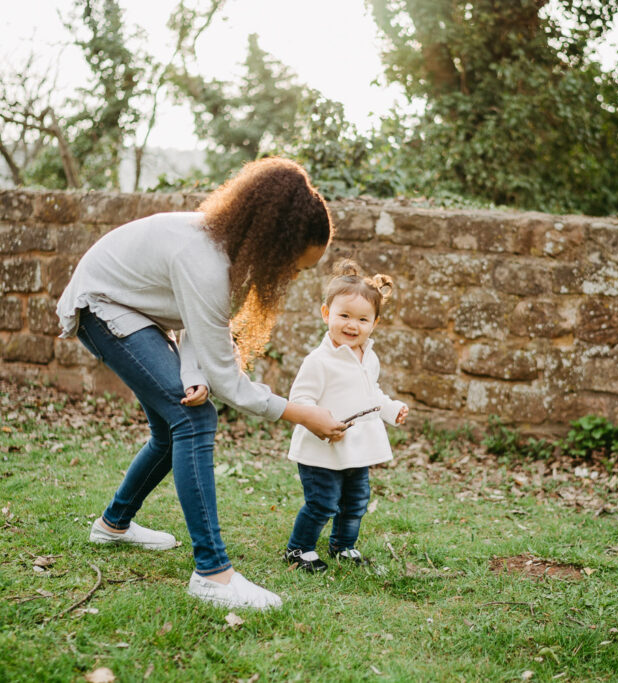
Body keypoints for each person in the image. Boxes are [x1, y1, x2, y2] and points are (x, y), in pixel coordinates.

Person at [55, 158, 349, 610]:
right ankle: (213, 573)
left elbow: (199, 323)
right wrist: (301, 413)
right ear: (273, 243)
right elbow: (228, 381)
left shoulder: (229, 251)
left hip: (141, 310)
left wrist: (193, 375)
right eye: (294, 265)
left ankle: (113, 525)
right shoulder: (205, 258)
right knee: (194, 421)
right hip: (103, 304)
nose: (291, 276)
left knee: (171, 424)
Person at [284, 259, 409, 573]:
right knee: (323, 502)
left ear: (374, 323)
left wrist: (391, 409)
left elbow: (372, 394)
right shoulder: (319, 361)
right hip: (321, 448)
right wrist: (319, 421)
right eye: (344, 316)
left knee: (355, 502)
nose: (353, 325)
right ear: (326, 314)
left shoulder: (369, 356)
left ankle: (343, 545)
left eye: (363, 319)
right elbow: (299, 399)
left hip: (357, 448)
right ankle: (298, 550)